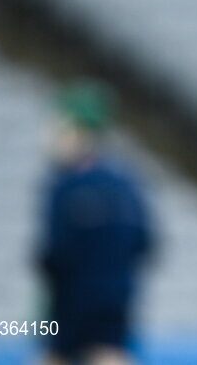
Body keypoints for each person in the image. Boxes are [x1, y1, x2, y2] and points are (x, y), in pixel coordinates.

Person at [35, 80, 155, 365]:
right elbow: (144, 241)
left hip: (68, 304)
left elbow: (53, 252)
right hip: (115, 302)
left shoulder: (63, 186)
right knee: (110, 354)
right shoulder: (125, 183)